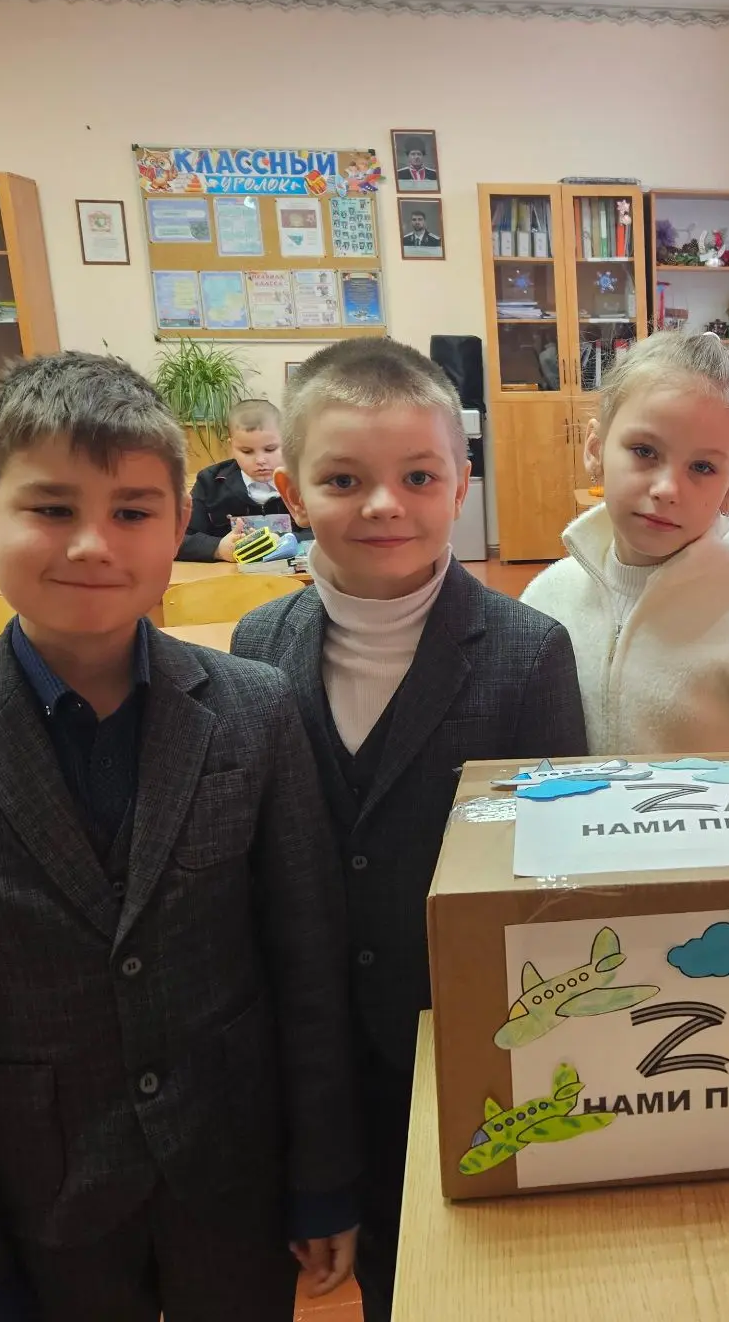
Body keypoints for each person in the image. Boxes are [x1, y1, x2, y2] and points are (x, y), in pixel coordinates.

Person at [0, 352, 360, 1321]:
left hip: (233, 1176)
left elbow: (305, 957)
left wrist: (324, 1176)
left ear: (180, 523)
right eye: (50, 508)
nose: (92, 545)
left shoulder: (257, 710)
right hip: (41, 1197)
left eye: (131, 511)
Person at [230, 338, 584, 1322]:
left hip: (474, 1050)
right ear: (292, 494)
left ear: (461, 484)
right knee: (387, 1288)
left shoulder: (529, 654)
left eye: (419, 477)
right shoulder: (257, 648)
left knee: (487, 1284)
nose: (384, 505)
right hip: (313, 1056)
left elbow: (551, 889)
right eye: (344, 480)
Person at [521, 329, 729, 755]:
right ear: (595, 449)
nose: (667, 489)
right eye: (644, 451)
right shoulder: (545, 602)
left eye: (702, 467)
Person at [177, 398, 307, 562]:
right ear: (231, 446)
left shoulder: (303, 479)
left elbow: (328, 532)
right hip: (230, 575)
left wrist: (288, 539)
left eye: (270, 449)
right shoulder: (210, 482)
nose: (260, 460)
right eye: (247, 451)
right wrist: (217, 549)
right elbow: (178, 539)